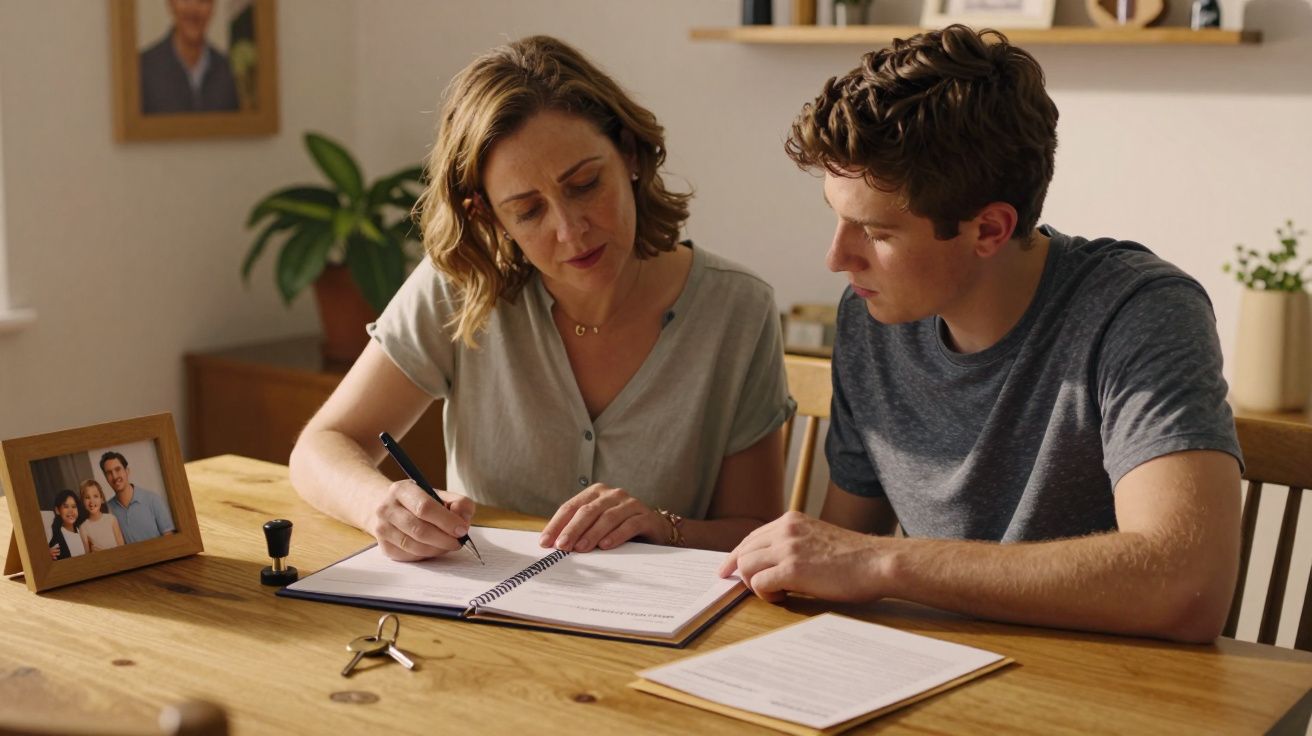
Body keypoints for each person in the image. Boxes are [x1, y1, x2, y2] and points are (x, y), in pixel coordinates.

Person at [721, 25, 1242, 643]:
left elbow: (1185, 586)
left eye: (877, 234)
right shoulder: (871, 315)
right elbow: (837, 553)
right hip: (928, 672)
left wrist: (884, 563)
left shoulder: (1139, 311)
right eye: (837, 218)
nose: (837, 258)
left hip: (1105, 691)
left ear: (991, 230)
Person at [290, 35, 792, 561]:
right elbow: (321, 447)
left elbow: (757, 532)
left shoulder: (737, 308)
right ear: (488, 215)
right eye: (529, 211)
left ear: (630, 155)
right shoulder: (461, 287)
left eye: (586, 184)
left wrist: (663, 527)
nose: (571, 232)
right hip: (485, 619)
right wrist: (380, 505)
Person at [138, 0, 240, 114]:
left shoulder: (227, 70)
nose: (193, 9)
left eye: (203, 1)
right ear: (171, 4)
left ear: (213, 7)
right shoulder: (143, 68)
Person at [101, 452, 175, 543]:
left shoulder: (153, 500)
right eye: (109, 473)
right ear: (106, 478)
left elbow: (169, 538)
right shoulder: (107, 510)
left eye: (118, 469)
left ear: (127, 471)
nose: (115, 476)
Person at [79, 479, 125, 553]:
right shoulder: (83, 528)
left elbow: (122, 548)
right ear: (82, 502)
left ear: (102, 499)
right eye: (87, 497)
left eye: (95, 496)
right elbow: (87, 557)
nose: (91, 501)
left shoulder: (112, 520)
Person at [48, 490, 88, 561]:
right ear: (57, 510)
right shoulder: (55, 542)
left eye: (74, 506)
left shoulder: (85, 529)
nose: (71, 511)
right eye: (66, 507)